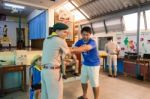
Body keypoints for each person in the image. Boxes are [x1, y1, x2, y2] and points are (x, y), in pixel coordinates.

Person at [41, 22, 70, 99]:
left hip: (44, 71)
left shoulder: (46, 39)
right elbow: (68, 54)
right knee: (56, 96)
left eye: (67, 32)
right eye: (64, 32)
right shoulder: (60, 40)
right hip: (53, 72)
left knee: (45, 95)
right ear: (57, 31)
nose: (66, 34)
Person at [71, 26, 100, 99]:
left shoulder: (92, 42)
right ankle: (84, 96)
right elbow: (73, 48)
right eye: (84, 34)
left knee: (94, 83)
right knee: (83, 81)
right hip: (85, 64)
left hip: (94, 65)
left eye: (87, 35)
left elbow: (87, 48)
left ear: (90, 35)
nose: (85, 36)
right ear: (81, 34)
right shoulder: (80, 41)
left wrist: (72, 50)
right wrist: (73, 52)